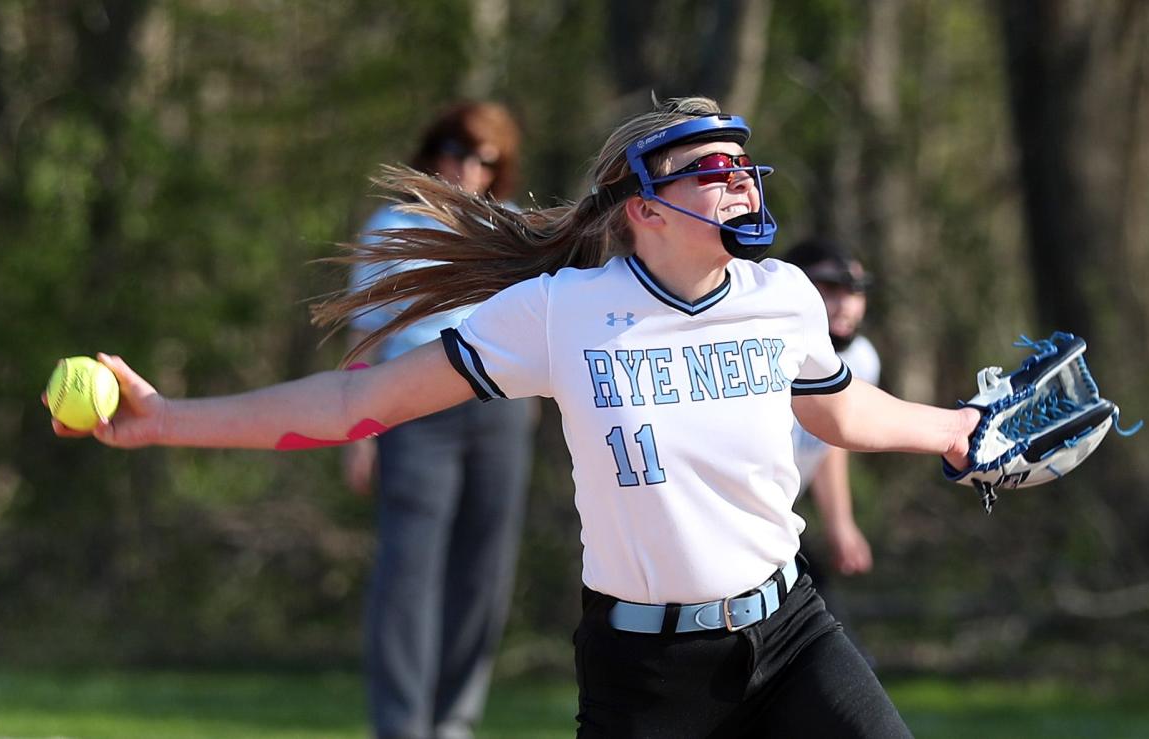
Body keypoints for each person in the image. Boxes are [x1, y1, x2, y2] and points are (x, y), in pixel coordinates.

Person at [48, 96, 981, 738]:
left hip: (791, 632)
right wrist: (166, 417)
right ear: (644, 205)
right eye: (714, 169)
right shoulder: (561, 312)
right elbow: (356, 402)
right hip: (646, 672)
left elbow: (843, 411)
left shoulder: (782, 296)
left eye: (746, 164)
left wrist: (954, 430)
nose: (742, 181)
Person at [343, 101, 537, 739]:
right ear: (433, 152)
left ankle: (454, 720)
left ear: (498, 167)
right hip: (413, 412)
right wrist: (358, 432)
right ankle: (401, 726)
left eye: (482, 157)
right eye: (455, 150)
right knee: (408, 573)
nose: (465, 167)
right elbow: (365, 337)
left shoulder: (511, 231)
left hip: (499, 411)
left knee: (484, 572)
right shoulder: (392, 226)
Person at [784, 237, 881, 663]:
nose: (846, 304)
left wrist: (841, 523)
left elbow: (830, 436)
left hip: (779, 524)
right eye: (830, 288)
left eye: (856, 290)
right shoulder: (761, 355)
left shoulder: (860, 360)